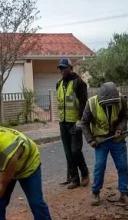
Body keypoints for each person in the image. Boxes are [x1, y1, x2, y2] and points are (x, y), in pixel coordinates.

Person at [78, 82, 128, 206]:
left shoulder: (121, 100)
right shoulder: (91, 103)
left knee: (122, 166)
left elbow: (124, 117)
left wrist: (119, 129)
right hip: (100, 141)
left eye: (112, 103)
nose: (110, 105)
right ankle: (95, 193)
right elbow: (84, 123)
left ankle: (124, 193)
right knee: (99, 166)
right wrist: (90, 140)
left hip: (117, 140)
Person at [56, 58, 90, 189]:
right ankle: (74, 178)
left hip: (75, 122)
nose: (62, 70)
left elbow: (83, 103)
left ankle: (85, 173)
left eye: (64, 68)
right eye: (60, 68)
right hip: (63, 123)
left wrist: (80, 121)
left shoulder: (78, 83)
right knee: (68, 152)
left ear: (70, 68)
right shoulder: (59, 84)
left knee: (75, 150)